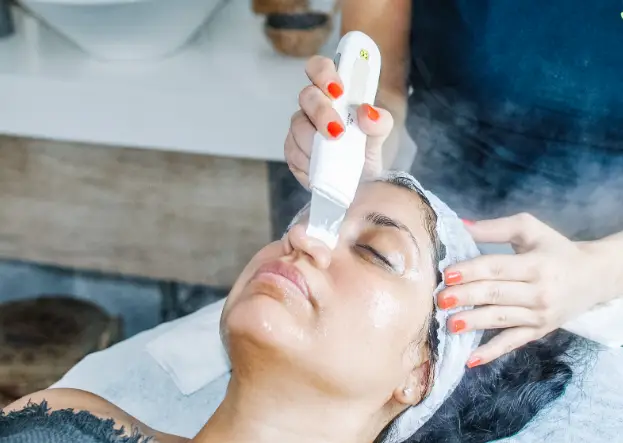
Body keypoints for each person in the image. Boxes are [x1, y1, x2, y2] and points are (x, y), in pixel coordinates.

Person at [0, 173, 591, 443]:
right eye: (301, 224)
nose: (304, 239)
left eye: (376, 252)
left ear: (421, 373)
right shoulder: (63, 420)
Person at [284, 0, 623, 366]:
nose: (298, 242)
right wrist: (359, 136)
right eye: (374, 251)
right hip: (436, 250)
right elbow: (383, 91)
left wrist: (594, 271)